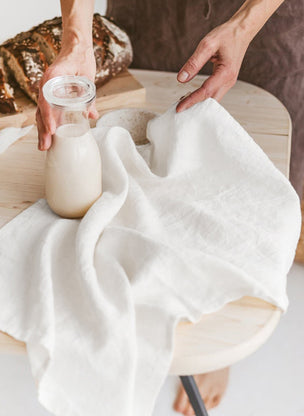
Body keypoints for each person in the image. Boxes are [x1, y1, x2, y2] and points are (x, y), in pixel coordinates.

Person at [36, 0, 303, 414]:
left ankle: (213, 340)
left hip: (268, 19)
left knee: (241, 173)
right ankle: (163, 320)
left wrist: (246, 23)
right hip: (155, 12)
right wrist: (76, 37)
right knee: (157, 159)